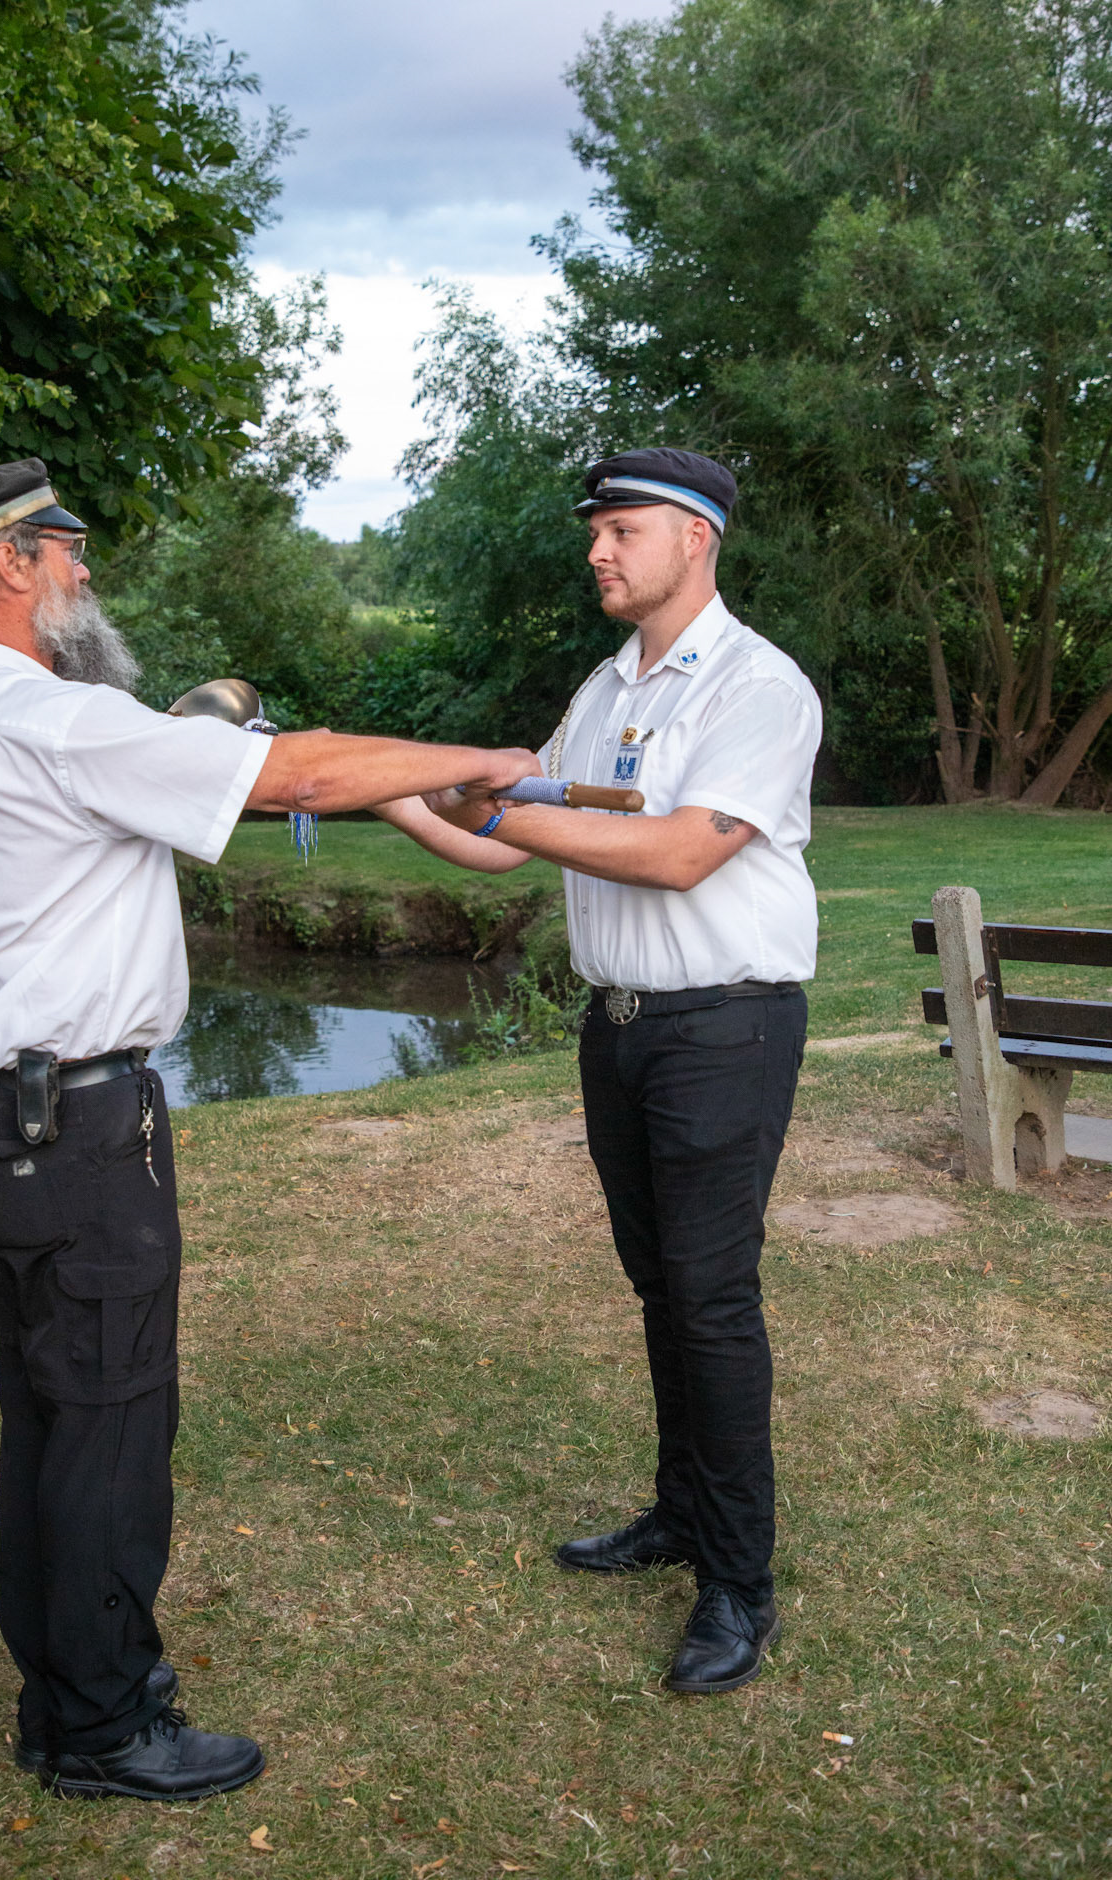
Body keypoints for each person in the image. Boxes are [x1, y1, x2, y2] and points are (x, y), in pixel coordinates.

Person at [0, 457, 538, 1799]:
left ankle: (65, 1698)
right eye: (69, 548)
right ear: (11, 565)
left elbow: (217, 776)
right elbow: (300, 767)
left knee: (55, 1418)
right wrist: (487, 761)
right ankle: (105, 1728)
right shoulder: (48, 717)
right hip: (78, 1124)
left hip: (13, 1118)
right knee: (109, 1421)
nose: (86, 570)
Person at [376, 447, 821, 1694]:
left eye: (622, 528)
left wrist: (491, 803)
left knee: (711, 1296)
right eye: (597, 530)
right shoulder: (605, 684)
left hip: (724, 1027)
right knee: (660, 1286)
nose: (597, 550)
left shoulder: (757, 684)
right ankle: (681, 1511)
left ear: (696, 535)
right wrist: (390, 791)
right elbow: (505, 845)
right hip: (619, 1026)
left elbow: (679, 852)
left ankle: (738, 1581)